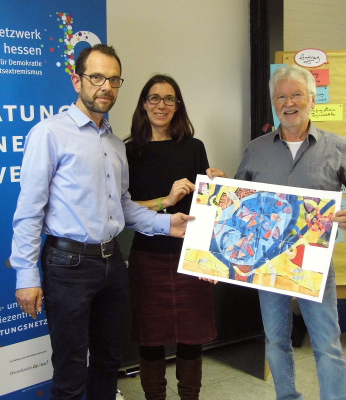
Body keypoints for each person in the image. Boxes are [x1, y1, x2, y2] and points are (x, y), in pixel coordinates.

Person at [10, 45, 194, 400]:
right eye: (96, 78)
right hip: (68, 266)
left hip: (112, 265)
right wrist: (26, 275)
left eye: (113, 79)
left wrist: (167, 224)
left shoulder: (114, 143)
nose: (105, 87)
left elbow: (122, 207)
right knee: (71, 367)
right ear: (77, 80)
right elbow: (30, 210)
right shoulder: (50, 133)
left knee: (109, 361)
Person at [212, 64, 346, 400]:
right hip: (266, 264)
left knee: (327, 344)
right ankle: (287, 396)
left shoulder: (337, 147)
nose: (288, 103)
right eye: (281, 96)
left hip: (313, 261)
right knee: (276, 340)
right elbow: (236, 204)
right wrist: (221, 189)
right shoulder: (257, 149)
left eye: (296, 95)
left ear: (312, 100)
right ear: (274, 103)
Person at [124, 74, 217, 400]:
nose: (161, 105)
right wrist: (166, 199)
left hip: (190, 257)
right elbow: (121, 209)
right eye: (154, 98)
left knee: (191, 339)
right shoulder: (128, 152)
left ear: (178, 106)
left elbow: (207, 206)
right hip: (148, 257)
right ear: (143, 104)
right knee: (151, 341)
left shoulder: (194, 148)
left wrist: (217, 186)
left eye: (169, 99)